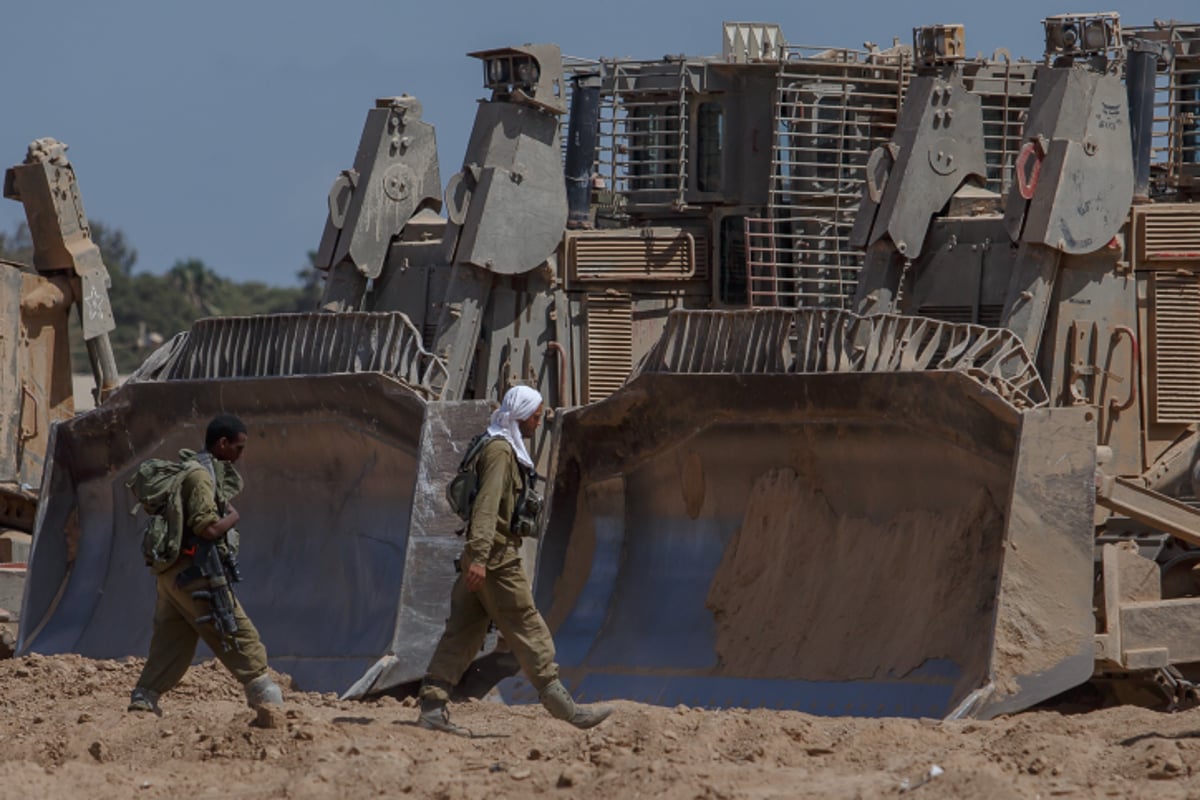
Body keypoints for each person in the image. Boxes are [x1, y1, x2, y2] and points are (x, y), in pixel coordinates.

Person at [417, 385, 612, 734]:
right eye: (536, 416)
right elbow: (487, 507)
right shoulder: (501, 453)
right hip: (495, 559)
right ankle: (565, 708)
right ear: (520, 415)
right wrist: (480, 557)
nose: (539, 422)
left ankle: (432, 706)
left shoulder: (495, 445)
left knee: (463, 631)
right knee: (527, 626)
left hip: (480, 558)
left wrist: (474, 558)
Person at [128, 414, 283, 714]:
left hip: (173, 577)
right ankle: (267, 701)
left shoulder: (195, 470)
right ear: (222, 443)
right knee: (238, 633)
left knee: (172, 641)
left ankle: (144, 697)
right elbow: (206, 529)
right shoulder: (201, 476)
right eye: (238, 448)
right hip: (196, 574)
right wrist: (233, 517)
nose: (240, 455)